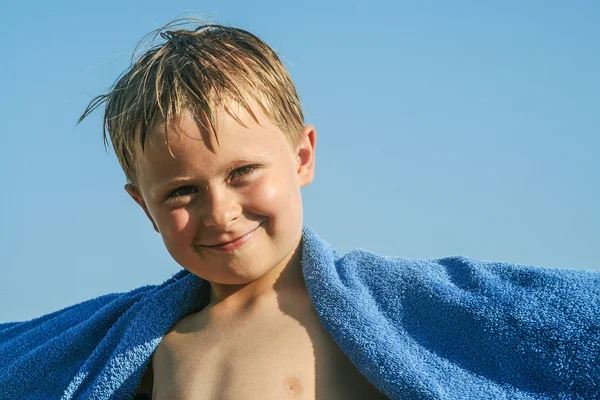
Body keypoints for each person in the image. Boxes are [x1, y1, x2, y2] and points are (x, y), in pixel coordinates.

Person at [1, 19, 598, 400]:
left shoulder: (384, 320)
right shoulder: (154, 344)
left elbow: (544, 323)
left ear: (303, 157)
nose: (221, 211)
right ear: (144, 206)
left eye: (241, 173)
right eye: (181, 192)